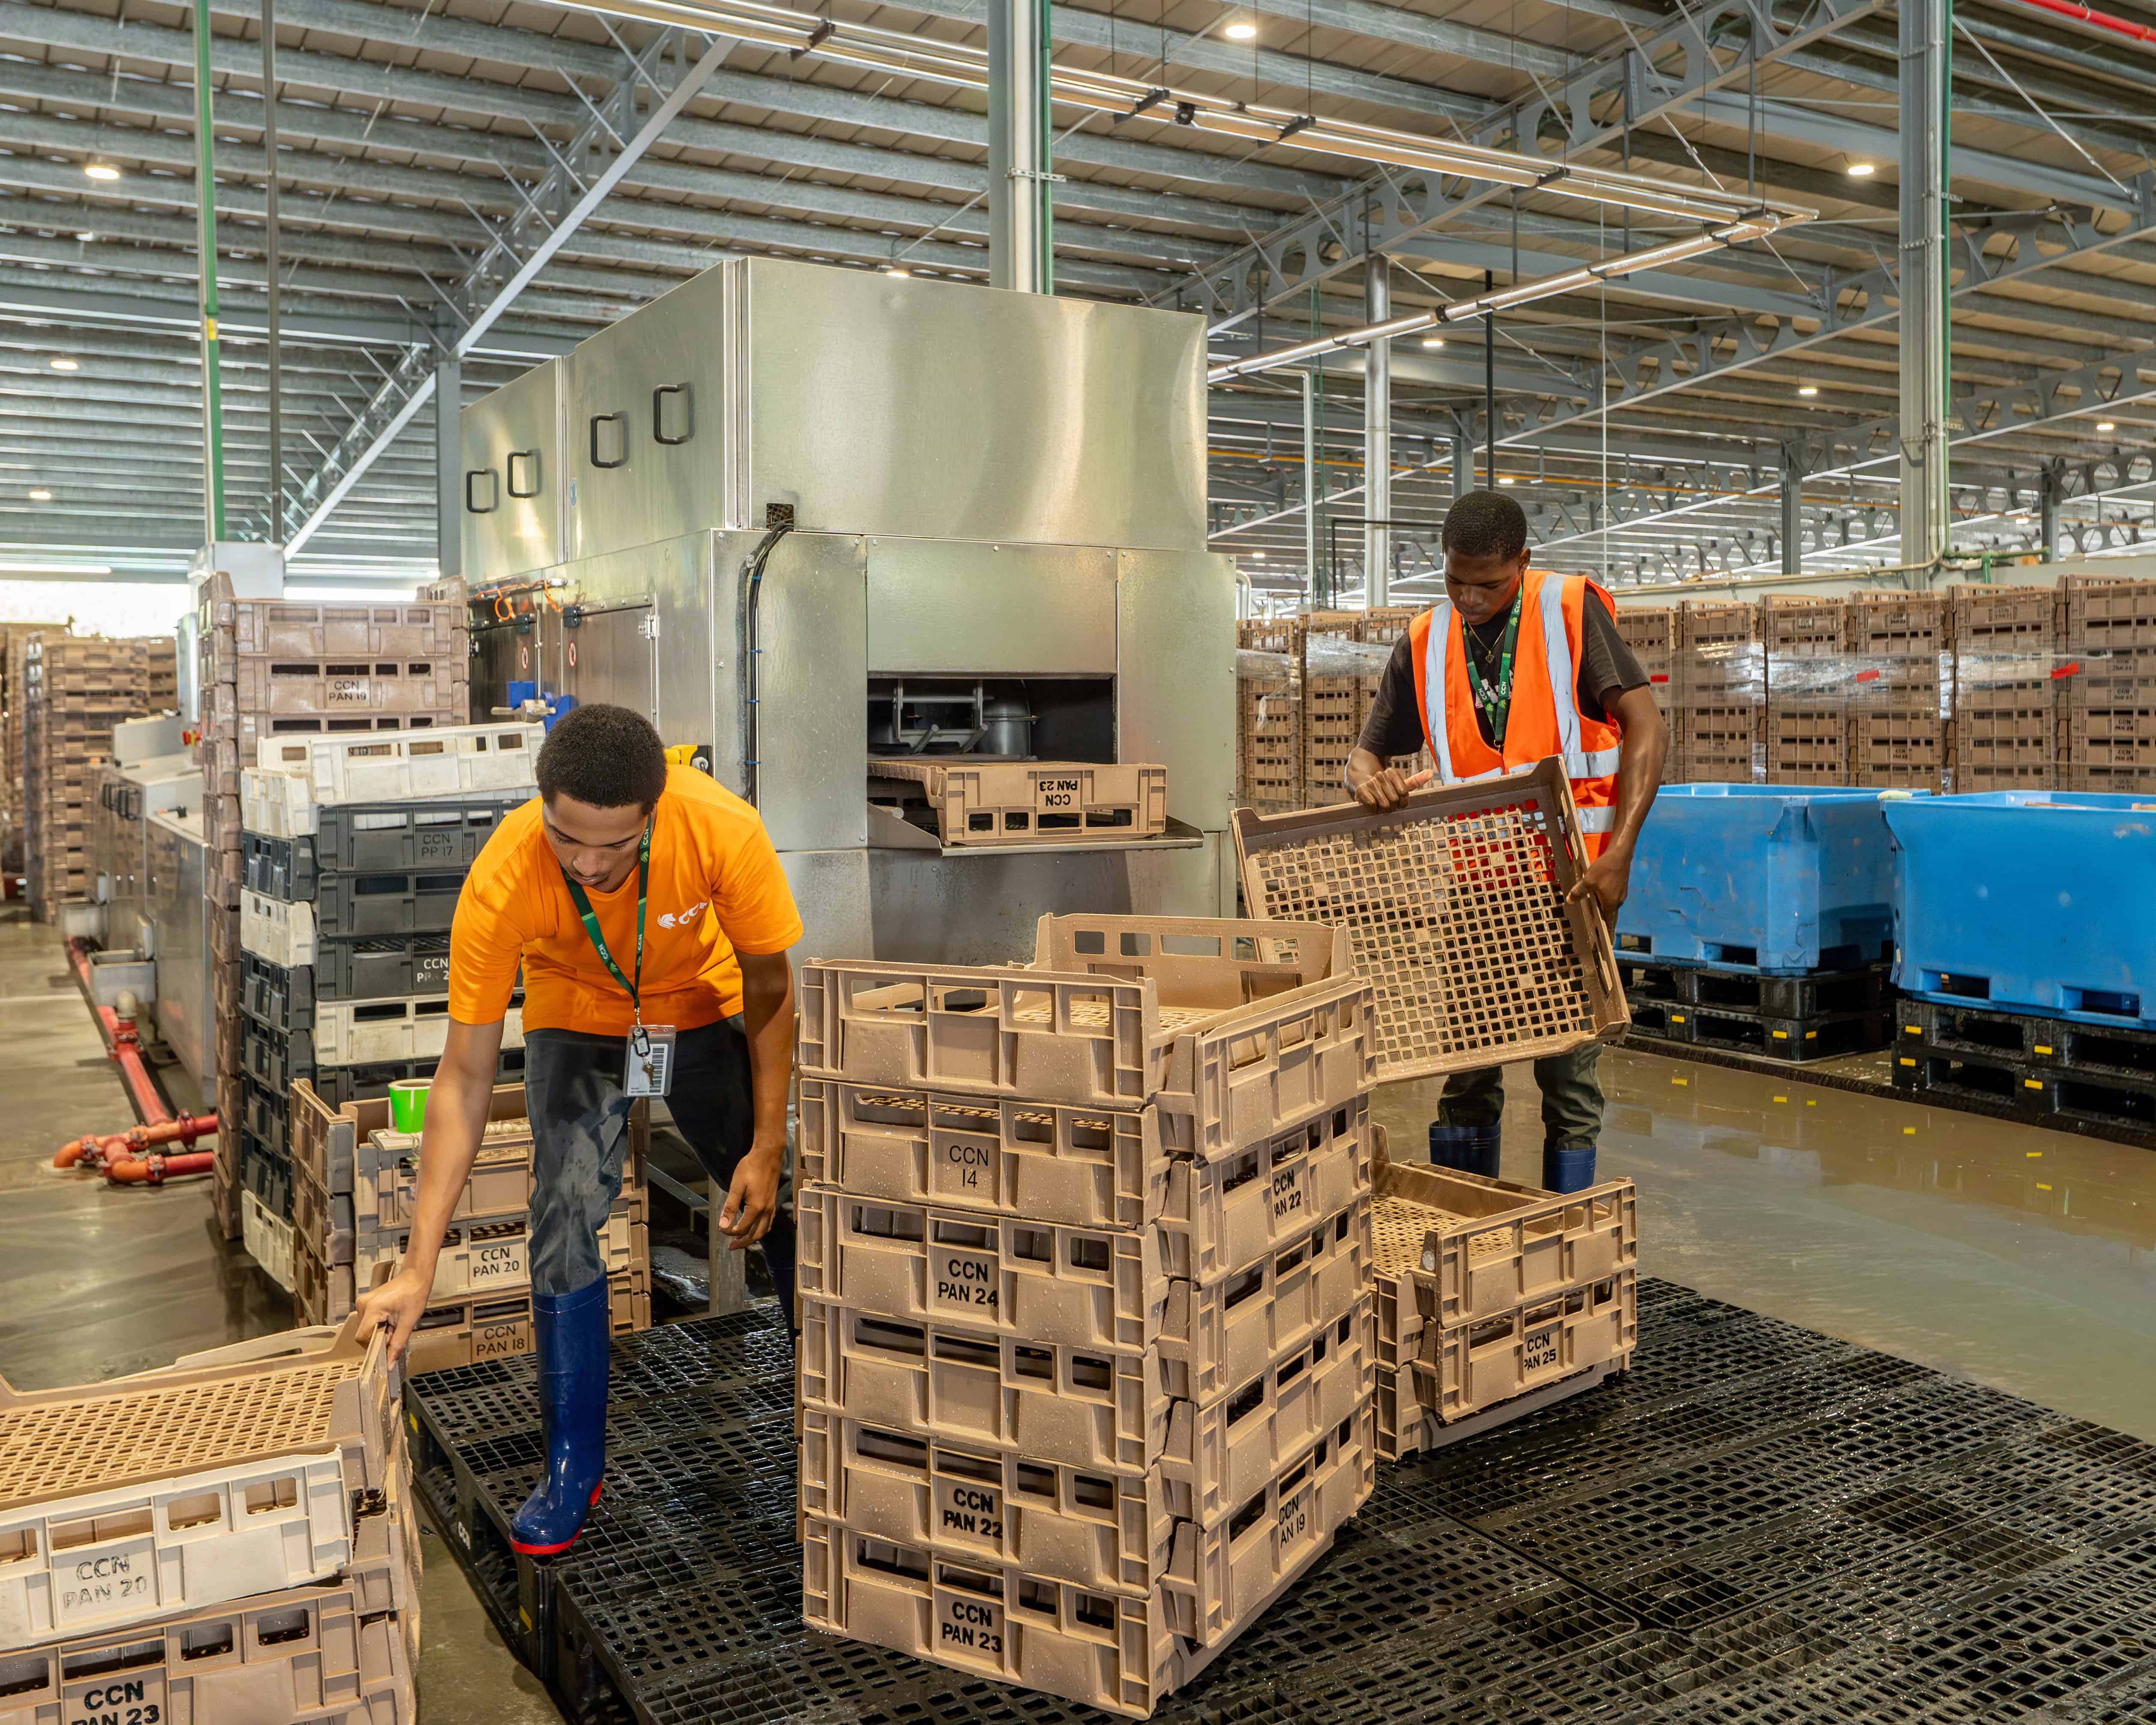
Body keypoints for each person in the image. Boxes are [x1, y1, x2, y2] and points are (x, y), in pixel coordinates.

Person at [357, 703, 803, 1557]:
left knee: (781, 1201)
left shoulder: (721, 830)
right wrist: (419, 1267)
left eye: (616, 846)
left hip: (699, 1008)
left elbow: (769, 985)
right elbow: (463, 1078)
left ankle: (820, 1408)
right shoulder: (503, 876)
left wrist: (767, 1142)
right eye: (569, 841)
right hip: (580, 1016)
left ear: (655, 813)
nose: (590, 864)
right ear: (542, 808)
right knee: (562, 1216)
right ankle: (573, 1465)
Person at [1345, 490, 1668, 1194]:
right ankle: (1469, 1212)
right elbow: (1364, 755)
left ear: (1521, 561)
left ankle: (1567, 1224)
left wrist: (1620, 852)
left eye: (1487, 583)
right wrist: (1367, 780)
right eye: (1454, 580)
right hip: (1474, 890)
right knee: (1467, 1065)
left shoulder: (1568, 609)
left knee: (1567, 1068)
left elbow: (1648, 726)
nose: (1468, 597)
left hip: (1570, 885)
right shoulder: (1426, 638)